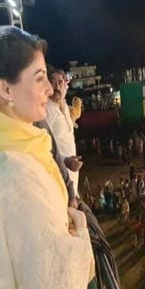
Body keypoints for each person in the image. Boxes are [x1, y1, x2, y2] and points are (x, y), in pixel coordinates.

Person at [0, 26, 94, 289]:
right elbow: (57, 287)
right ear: (6, 88)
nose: (49, 88)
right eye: (39, 78)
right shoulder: (16, 176)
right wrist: (79, 229)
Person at [46, 66, 83, 199]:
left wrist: (65, 85)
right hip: (60, 182)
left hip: (73, 181)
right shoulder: (45, 111)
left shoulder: (63, 105)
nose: (57, 86)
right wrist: (65, 161)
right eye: (52, 82)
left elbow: (62, 91)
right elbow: (45, 149)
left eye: (60, 82)